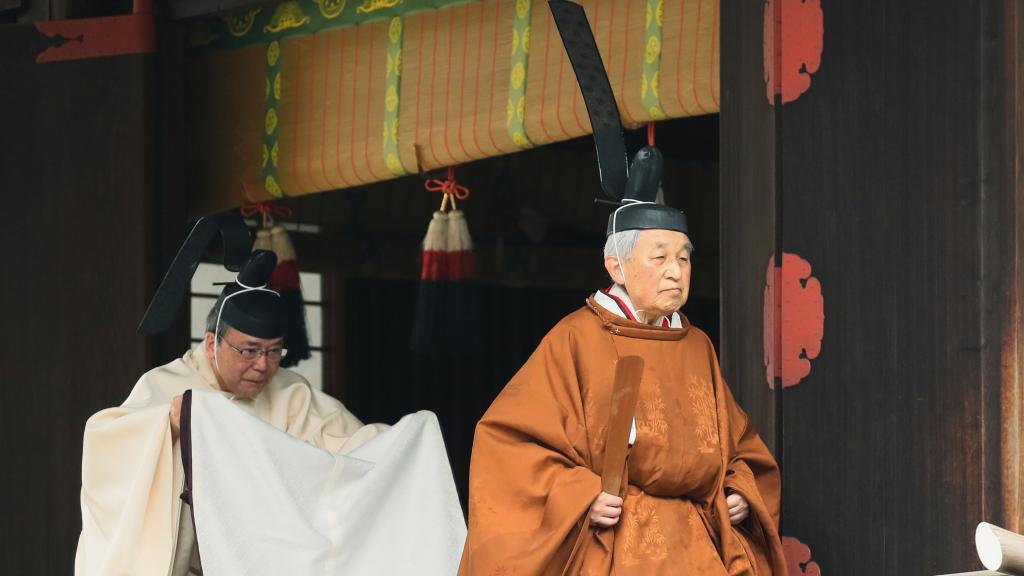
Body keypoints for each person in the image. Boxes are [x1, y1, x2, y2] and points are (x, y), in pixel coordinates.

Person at [458, 200, 788, 575]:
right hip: (614, 543)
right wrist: (581, 498)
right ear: (616, 266)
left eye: (683, 259)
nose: (675, 273)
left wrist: (739, 492)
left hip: (697, 546)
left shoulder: (695, 344)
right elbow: (508, 445)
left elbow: (739, 444)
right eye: (659, 258)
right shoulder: (577, 338)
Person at [74, 251, 382, 576]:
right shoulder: (167, 386)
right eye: (249, 350)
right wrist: (169, 426)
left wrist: (403, 444)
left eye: (274, 351)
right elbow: (108, 446)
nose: (263, 365)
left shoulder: (290, 394)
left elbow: (355, 446)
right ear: (211, 344)